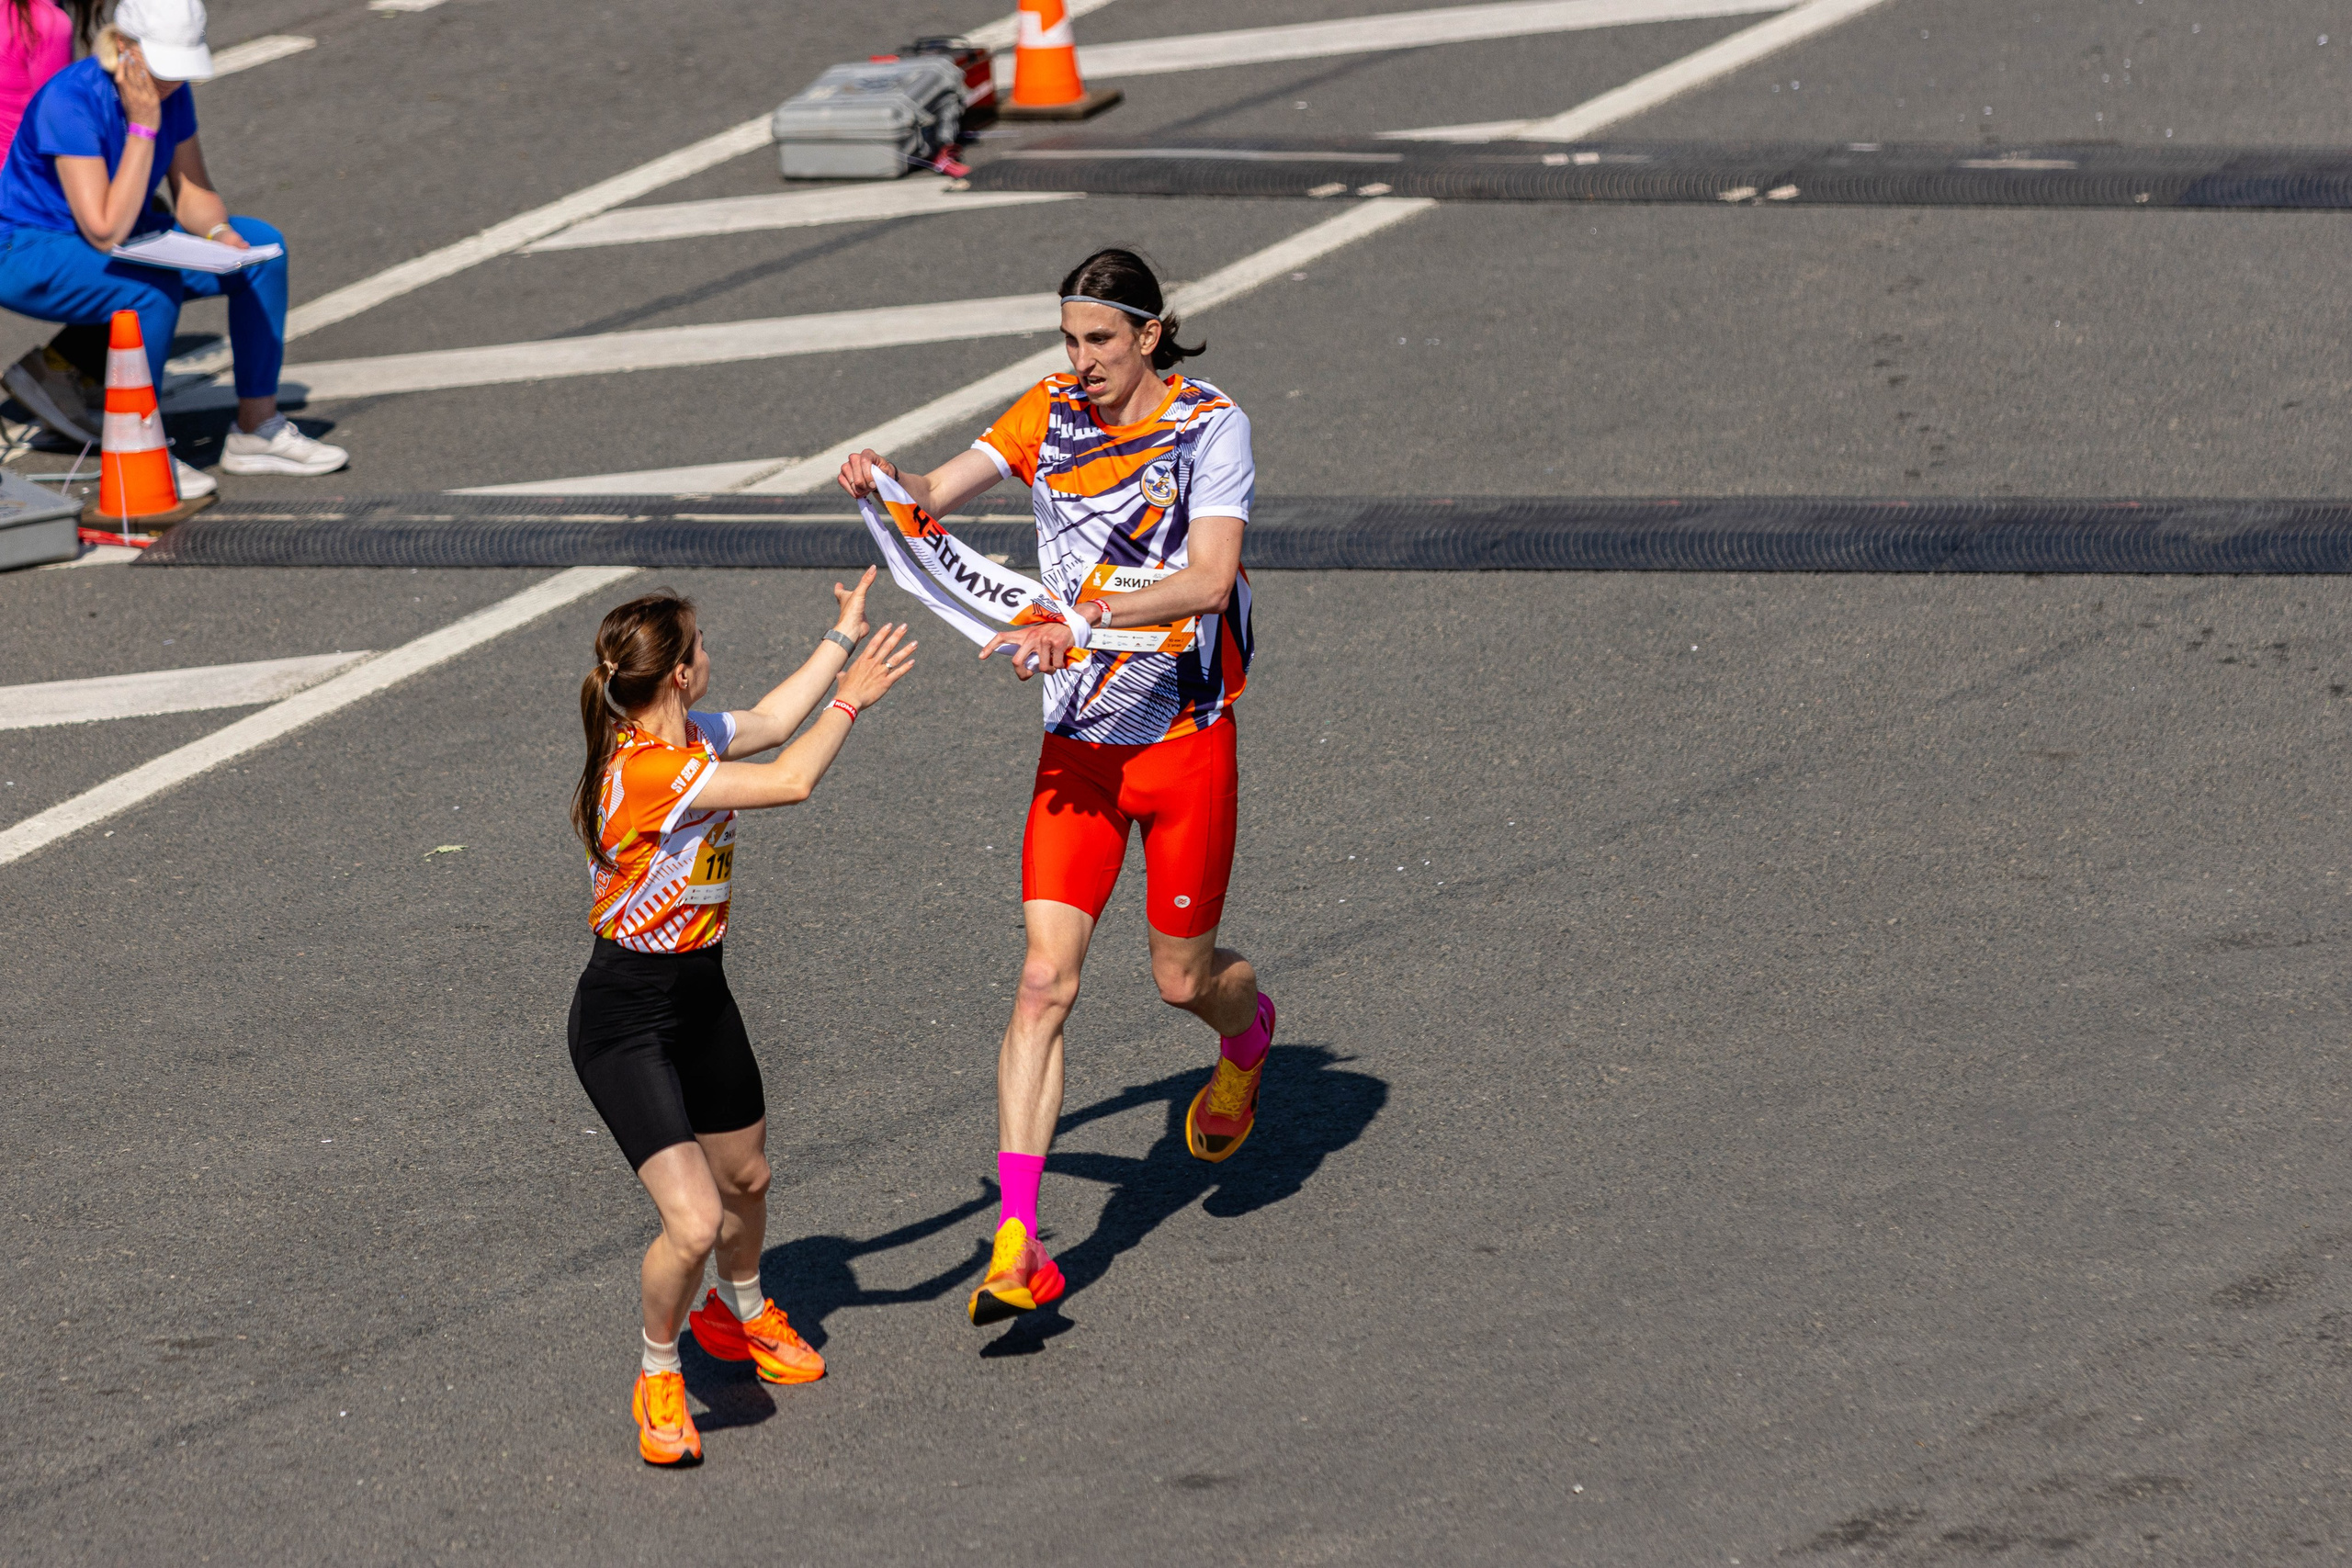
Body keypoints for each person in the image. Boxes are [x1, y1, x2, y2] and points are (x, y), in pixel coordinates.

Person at [836, 246, 1277, 1330]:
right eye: (1069, 340)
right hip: (1077, 749)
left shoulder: (1210, 427)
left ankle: (1248, 1035)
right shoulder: (1050, 411)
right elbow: (934, 494)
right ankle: (1020, 1240)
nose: (1081, 360)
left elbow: (1210, 579)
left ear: (1150, 336)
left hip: (1181, 743)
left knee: (1180, 980)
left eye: (1100, 341)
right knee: (1041, 984)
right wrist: (886, 482)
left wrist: (1079, 618)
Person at [569, 574, 914, 1468]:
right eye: (700, 643)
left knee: (747, 1178)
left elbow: (769, 720)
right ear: (680, 674)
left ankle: (741, 1309)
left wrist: (841, 637)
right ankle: (658, 1372)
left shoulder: (686, 736)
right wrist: (852, 700)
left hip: (700, 993)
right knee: (691, 1222)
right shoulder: (649, 771)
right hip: (626, 1016)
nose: (708, 652)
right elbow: (793, 778)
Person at [0, 0, 345, 479]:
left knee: (264, 251)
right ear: (123, 45)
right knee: (148, 290)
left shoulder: (170, 91)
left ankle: (257, 428)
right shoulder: (71, 98)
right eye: (163, 67)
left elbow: (192, 191)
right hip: (25, 249)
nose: (171, 82)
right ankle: (139, 450)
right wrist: (143, 127)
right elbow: (103, 228)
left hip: (117, 237)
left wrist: (219, 233)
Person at [0, 0, 108, 446]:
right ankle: (61, 367)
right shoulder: (45, 23)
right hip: (20, 198)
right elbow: (57, 122)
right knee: (138, 242)